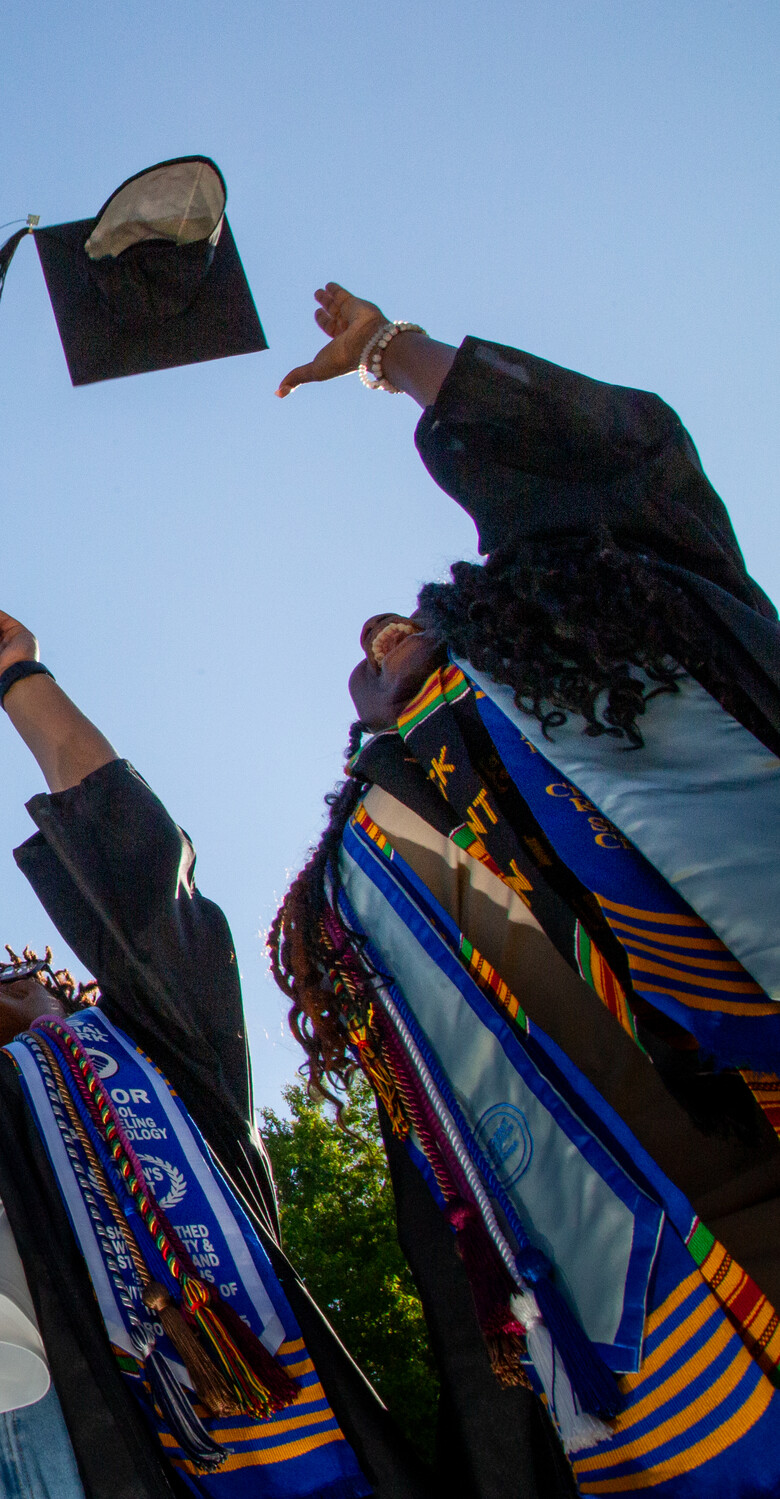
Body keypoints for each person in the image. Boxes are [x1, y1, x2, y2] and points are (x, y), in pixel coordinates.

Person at [0, 603, 427, 1499]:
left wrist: (22, 685)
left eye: (8, 979)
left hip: (137, 1421)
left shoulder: (163, 1067)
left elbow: (137, 868)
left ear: (78, 994)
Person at [269, 287, 780, 1497]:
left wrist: (403, 358)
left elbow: (621, 459)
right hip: (665, 1219)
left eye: (406, 616)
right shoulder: (367, 860)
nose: (382, 628)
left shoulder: (626, 623)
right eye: (368, 647)